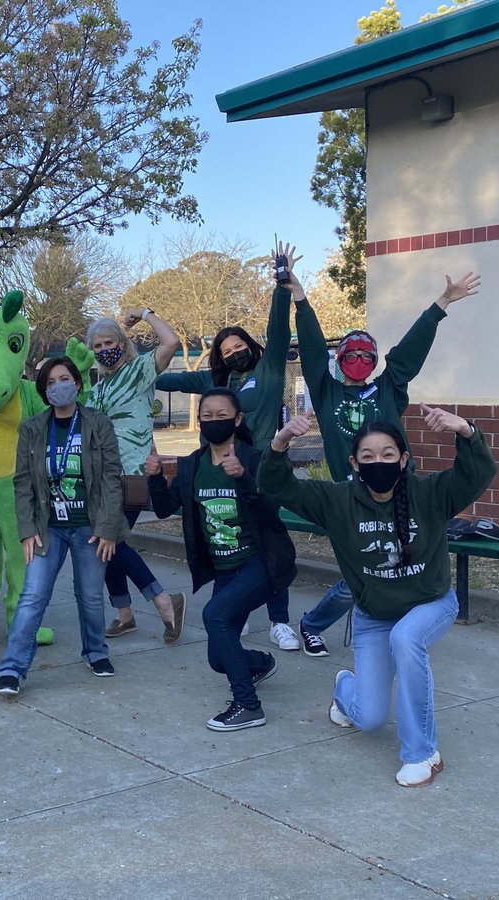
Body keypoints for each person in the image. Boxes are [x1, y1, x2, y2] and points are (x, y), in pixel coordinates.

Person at [260, 405, 495, 786]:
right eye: (367, 456)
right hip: (374, 616)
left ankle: (422, 753)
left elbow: (478, 473)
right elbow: (277, 487)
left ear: (404, 459)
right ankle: (344, 687)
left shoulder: (429, 492)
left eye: (388, 454)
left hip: (430, 603)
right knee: (368, 719)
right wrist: (280, 443)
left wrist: (466, 431)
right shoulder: (337, 502)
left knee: (407, 639)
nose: (378, 463)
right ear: (354, 462)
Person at [292, 270, 481, 658]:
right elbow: (312, 350)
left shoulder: (389, 388)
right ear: (340, 360)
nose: (359, 360)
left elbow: (409, 352)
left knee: (404, 563)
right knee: (361, 574)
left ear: (375, 360)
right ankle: (313, 624)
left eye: (367, 355)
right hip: (354, 498)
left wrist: (441, 303)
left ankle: (402, 629)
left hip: (401, 495)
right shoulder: (326, 391)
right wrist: (300, 298)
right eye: (351, 354)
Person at [156, 240, 304, 651]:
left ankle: (279, 620)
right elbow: (165, 378)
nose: (235, 352)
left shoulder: (269, 369)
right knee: (228, 538)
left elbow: (279, 329)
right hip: (222, 468)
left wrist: (280, 284)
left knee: (269, 538)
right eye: (226, 351)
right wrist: (133, 370)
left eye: (239, 346)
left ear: (250, 348)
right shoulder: (215, 384)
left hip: (265, 466)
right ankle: (234, 613)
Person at [145, 388, 297, 732]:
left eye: (222, 415)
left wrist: (243, 478)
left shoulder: (255, 460)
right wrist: (155, 477)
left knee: (214, 615)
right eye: (207, 415)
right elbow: (165, 507)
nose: (214, 421)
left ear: (237, 419)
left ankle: (247, 705)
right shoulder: (192, 465)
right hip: (225, 570)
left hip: (260, 562)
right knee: (218, 659)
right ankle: (258, 664)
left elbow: (271, 511)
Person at [0, 357, 127, 697]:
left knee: (90, 596)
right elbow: (23, 482)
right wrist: (26, 529)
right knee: (32, 596)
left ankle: (96, 652)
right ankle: (12, 669)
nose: (58, 386)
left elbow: (113, 477)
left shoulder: (98, 423)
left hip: (90, 526)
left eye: (64, 378)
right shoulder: (32, 428)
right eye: (50, 382)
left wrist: (109, 527)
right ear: (44, 391)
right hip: (46, 525)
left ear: (78, 384)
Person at [84, 310, 187, 644]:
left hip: (131, 474)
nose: (103, 350)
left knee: (110, 539)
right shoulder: (98, 389)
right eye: (97, 345)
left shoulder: (139, 370)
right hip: (102, 479)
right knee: (107, 544)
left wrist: (145, 314)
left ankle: (163, 602)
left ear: (121, 343)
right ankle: (124, 614)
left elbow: (170, 341)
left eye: (109, 342)